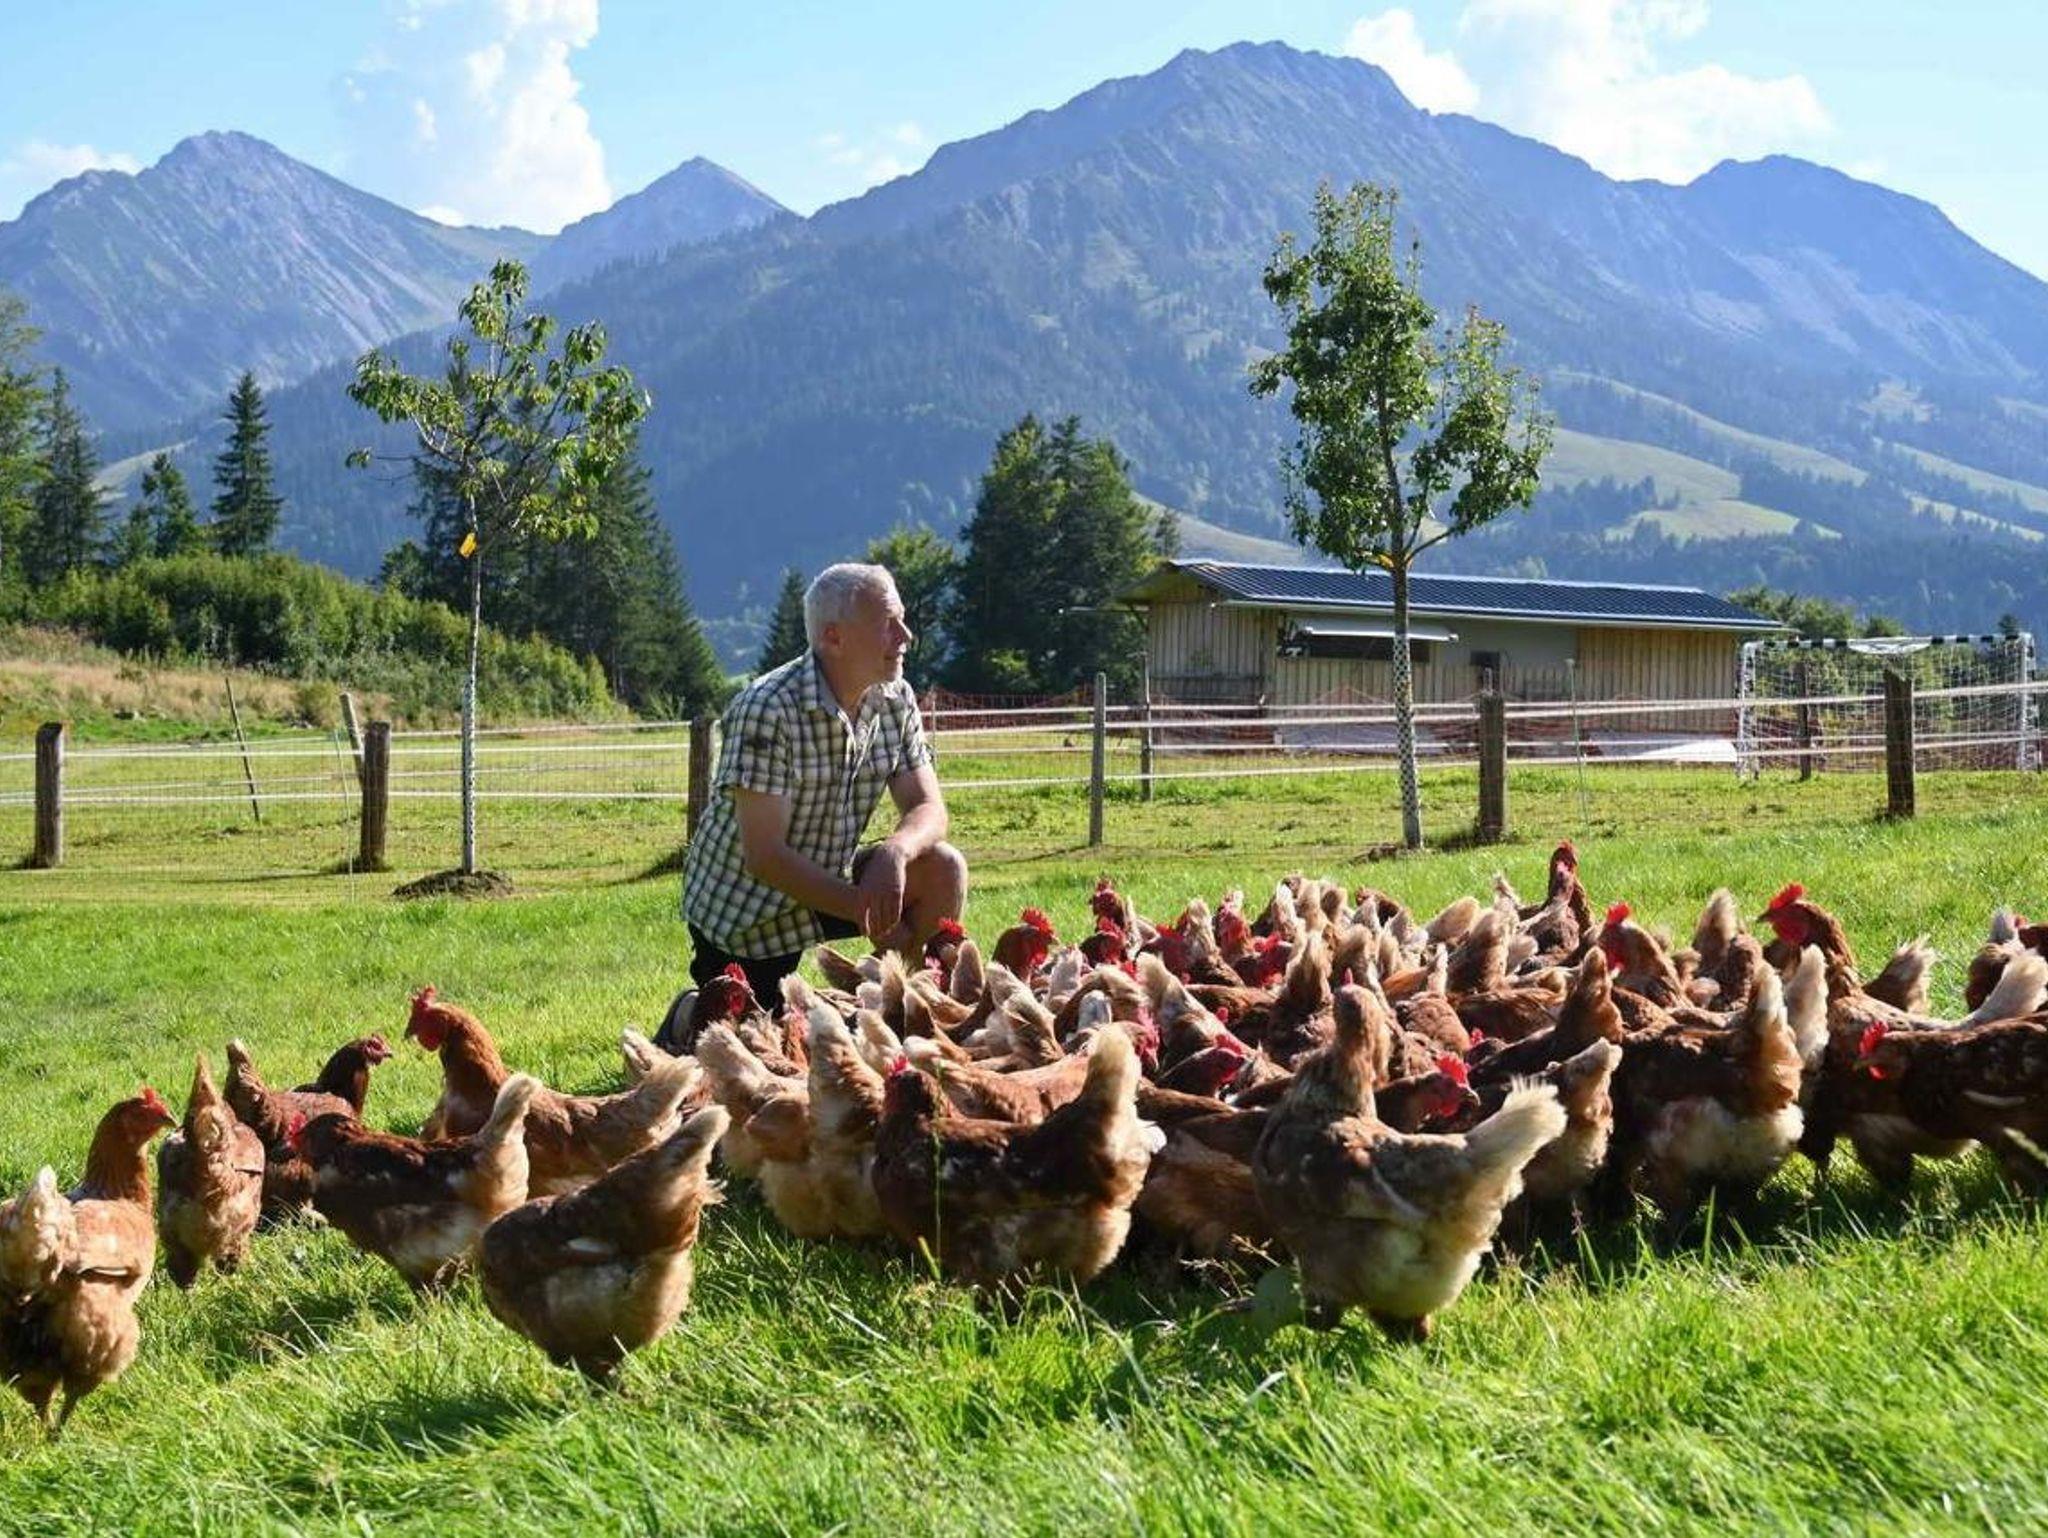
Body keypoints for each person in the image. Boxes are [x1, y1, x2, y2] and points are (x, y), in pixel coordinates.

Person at [680, 562, 968, 1006]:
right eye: (887, 624)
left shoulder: (897, 699)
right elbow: (766, 857)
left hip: (830, 875)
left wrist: (895, 852)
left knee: (943, 867)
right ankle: (685, 1011)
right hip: (748, 912)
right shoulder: (768, 708)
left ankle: (900, 1009)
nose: (905, 636)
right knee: (750, 1032)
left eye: (902, 620)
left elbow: (928, 808)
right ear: (834, 638)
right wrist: (870, 911)